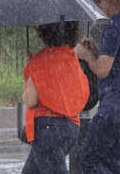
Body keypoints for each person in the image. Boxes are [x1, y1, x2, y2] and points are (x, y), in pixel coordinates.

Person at [74, 0, 120, 174]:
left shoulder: (113, 28)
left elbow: (102, 71)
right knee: (114, 163)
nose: (96, 3)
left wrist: (86, 55)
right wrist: (96, 51)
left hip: (113, 109)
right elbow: (119, 63)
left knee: (90, 160)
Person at [22, 21, 89, 173]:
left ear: (43, 34)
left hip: (47, 129)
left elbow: (31, 100)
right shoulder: (71, 57)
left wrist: (31, 70)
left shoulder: (39, 60)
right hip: (71, 127)